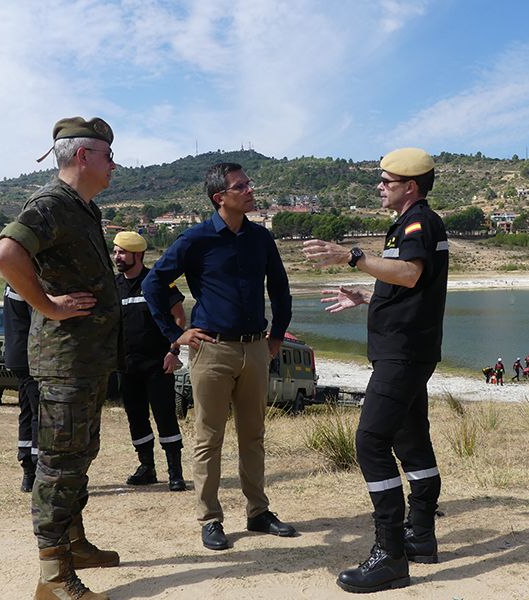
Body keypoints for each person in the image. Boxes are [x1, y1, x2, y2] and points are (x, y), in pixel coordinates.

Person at [303, 147, 448, 593]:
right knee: (410, 440)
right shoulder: (407, 224)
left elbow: (408, 273)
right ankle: (419, 536)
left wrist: (352, 257)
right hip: (402, 349)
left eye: (387, 180)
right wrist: (367, 297)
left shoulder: (420, 222)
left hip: (403, 353)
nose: (380, 186)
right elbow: (409, 286)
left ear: (410, 185)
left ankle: (390, 554)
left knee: (370, 441)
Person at [0, 116, 120, 600]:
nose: (114, 166)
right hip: (65, 360)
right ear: (84, 156)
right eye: (108, 156)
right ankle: (52, 577)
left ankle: (73, 543)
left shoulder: (83, 209)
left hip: (85, 359)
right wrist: (47, 306)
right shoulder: (50, 204)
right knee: (60, 464)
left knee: (79, 457)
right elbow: (5, 254)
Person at [142, 161, 296, 552]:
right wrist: (176, 335)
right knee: (208, 437)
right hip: (211, 349)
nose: (249, 189)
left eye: (248, 183)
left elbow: (280, 288)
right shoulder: (195, 240)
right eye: (240, 186)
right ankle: (210, 518)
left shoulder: (261, 238)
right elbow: (153, 284)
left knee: (254, 435)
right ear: (220, 198)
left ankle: (258, 512)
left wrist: (276, 334)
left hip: (255, 347)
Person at [113, 231, 187, 492]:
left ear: (138, 254)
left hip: (157, 363)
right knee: (136, 418)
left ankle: (175, 473)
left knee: (165, 416)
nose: (117, 256)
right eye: (115, 251)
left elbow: (179, 317)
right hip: (126, 365)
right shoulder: (114, 286)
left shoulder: (156, 283)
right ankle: (147, 467)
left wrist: (173, 350)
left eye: (122, 252)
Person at [3, 284, 39, 492]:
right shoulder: (24, 279)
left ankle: (27, 469)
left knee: (26, 412)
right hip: (29, 355)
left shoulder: (12, 279)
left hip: (16, 355)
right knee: (39, 413)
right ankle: (35, 468)